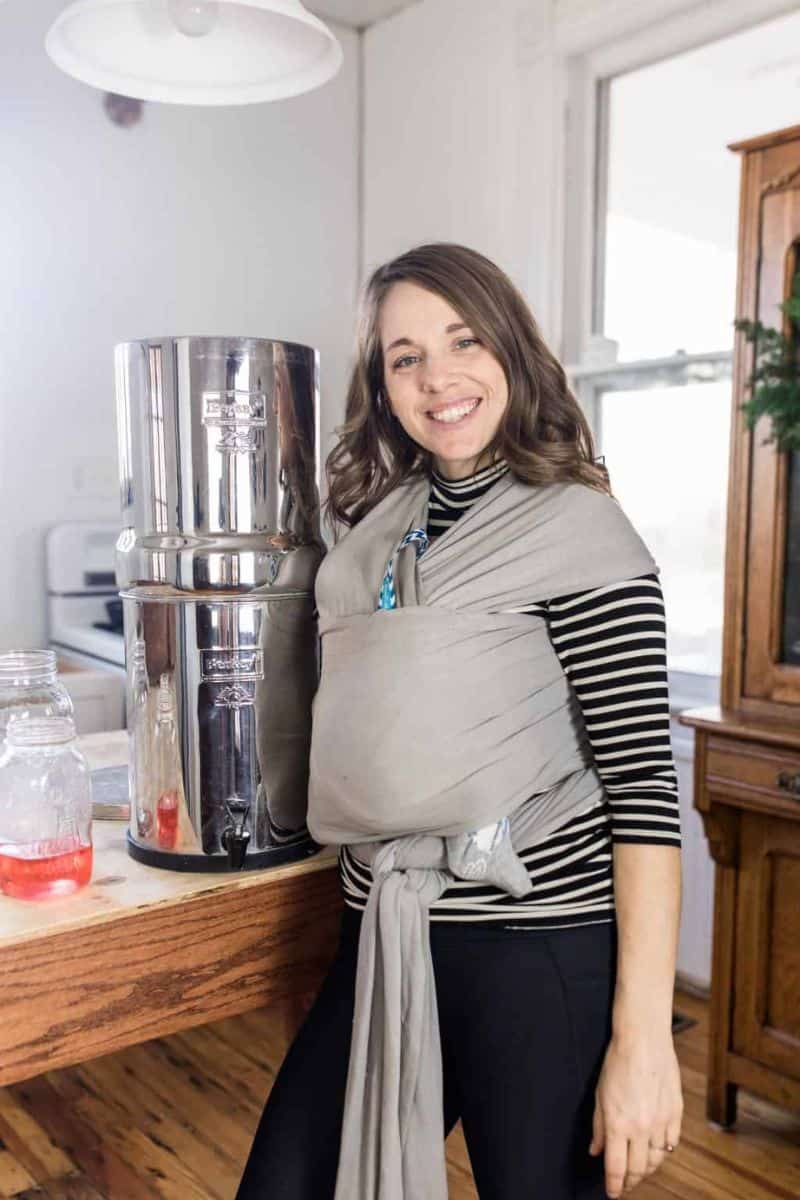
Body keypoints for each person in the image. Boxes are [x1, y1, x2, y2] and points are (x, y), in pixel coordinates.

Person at [235, 243, 684, 1200]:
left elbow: (645, 791)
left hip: (534, 946)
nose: (437, 377)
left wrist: (643, 1043)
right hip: (384, 927)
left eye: (462, 340)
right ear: (384, 384)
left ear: (512, 352)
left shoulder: (579, 532)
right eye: (405, 356)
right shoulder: (375, 533)